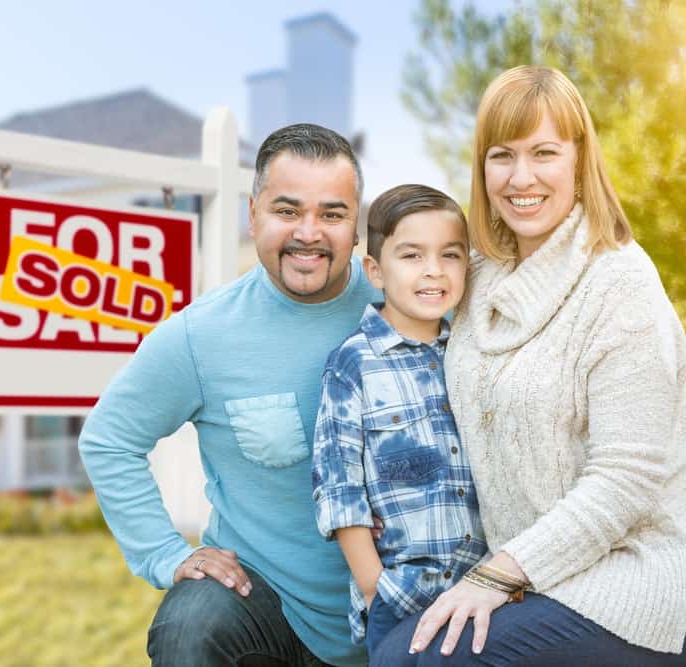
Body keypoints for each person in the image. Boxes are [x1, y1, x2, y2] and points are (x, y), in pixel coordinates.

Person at [372, 65, 686, 665]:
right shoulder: (480, 275)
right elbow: (400, 310)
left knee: (429, 662)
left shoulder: (620, 284)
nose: (521, 178)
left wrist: (498, 576)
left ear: (578, 159)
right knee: (389, 649)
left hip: (625, 581)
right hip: (522, 575)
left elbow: (625, 479)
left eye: (544, 152)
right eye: (501, 155)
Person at [78, 123, 382, 666]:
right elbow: (109, 440)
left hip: (404, 605)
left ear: (356, 226)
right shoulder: (203, 336)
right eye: (287, 211)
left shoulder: (406, 301)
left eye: (332, 214)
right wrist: (165, 553)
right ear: (254, 214)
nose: (308, 233)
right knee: (191, 626)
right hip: (268, 608)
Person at [312, 184, 487, 659]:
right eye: (412, 255)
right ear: (375, 270)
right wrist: (377, 590)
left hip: (486, 591)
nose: (433, 270)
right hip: (404, 596)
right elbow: (339, 492)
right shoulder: (354, 365)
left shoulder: (472, 353)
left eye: (450, 255)